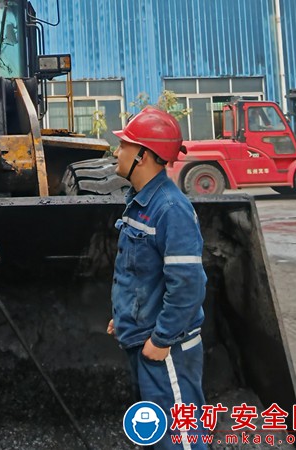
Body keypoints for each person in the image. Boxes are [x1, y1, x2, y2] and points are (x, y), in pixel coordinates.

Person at [106, 107, 209, 449]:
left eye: (124, 146)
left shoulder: (170, 209)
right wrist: (123, 317)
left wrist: (162, 339)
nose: (117, 152)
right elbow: (140, 275)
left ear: (143, 156)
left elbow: (188, 286)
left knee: (182, 440)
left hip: (169, 350)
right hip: (145, 341)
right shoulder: (140, 203)